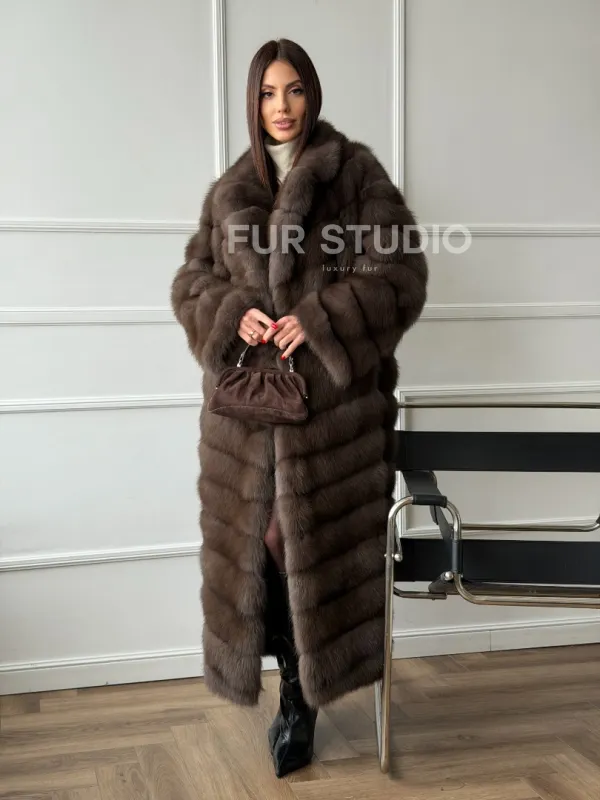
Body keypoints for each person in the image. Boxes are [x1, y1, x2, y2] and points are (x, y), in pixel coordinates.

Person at [170, 38, 428, 777]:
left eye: (293, 90)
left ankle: (303, 699)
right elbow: (191, 281)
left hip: (329, 418)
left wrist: (319, 320)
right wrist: (231, 313)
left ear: (312, 94)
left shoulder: (355, 175)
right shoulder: (231, 191)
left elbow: (400, 275)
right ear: (253, 102)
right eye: (266, 93)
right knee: (258, 550)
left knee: (298, 541)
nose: (280, 107)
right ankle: (291, 689)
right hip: (246, 419)